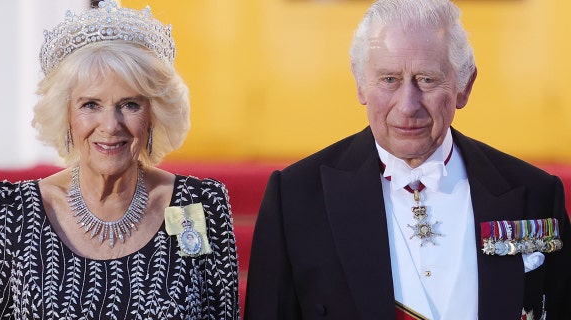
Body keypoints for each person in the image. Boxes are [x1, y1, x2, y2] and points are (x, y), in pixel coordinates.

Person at [244, 0, 571, 319]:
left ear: (464, 86)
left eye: (427, 79)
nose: (407, 105)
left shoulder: (536, 194)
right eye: (389, 79)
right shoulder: (296, 198)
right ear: (360, 83)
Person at [0, 1, 239, 319]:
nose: (110, 126)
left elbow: (221, 313)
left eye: (130, 104)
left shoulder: (194, 207)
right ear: (65, 115)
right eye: (91, 104)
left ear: (154, 114)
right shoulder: (11, 212)